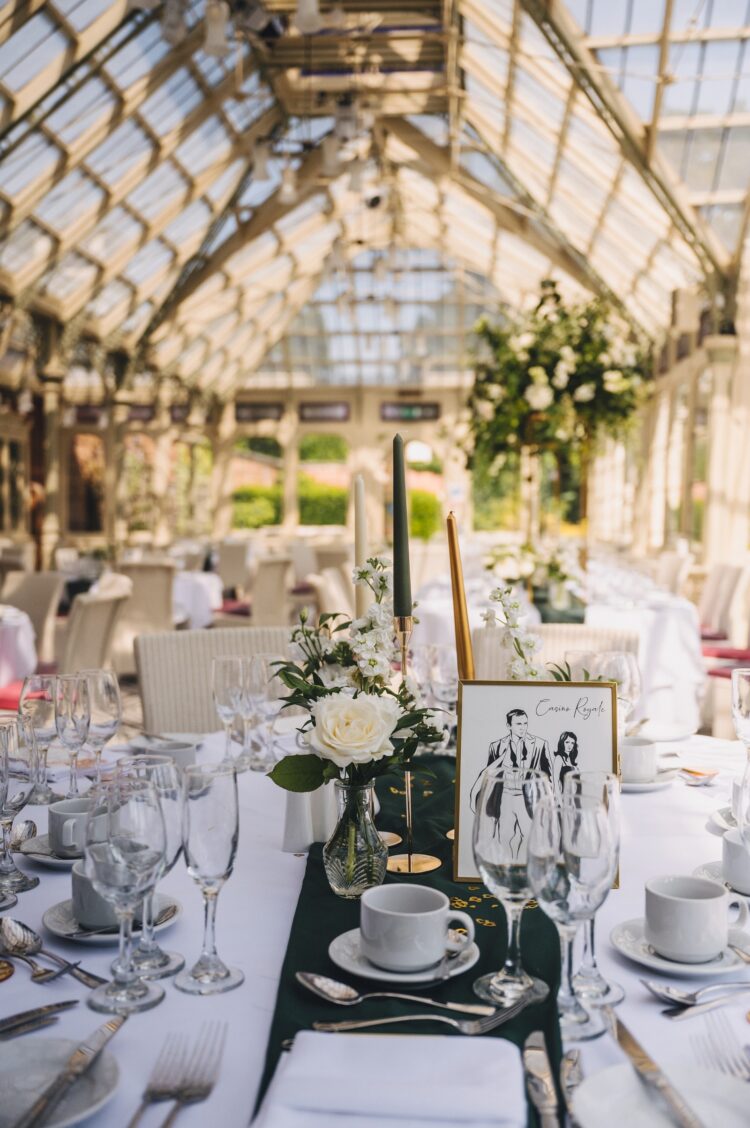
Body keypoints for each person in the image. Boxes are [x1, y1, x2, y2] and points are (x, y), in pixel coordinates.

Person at [470, 709, 551, 820]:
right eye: (518, 724)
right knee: (504, 836)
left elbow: (548, 776)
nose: (523, 727)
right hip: (504, 799)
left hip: (529, 799)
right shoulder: (496, 746)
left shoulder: (540, 744)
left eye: (525, 723)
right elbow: (490, 778)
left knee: (530, 835)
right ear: (509, 726)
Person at [552, 731, 579, 798]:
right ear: (562, 743)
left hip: (575, 799)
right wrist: (560, 802)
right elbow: (555, 780)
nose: (570, 745)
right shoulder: (559, 758)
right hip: (564, 798)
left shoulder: (572, 761)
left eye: (572, 743)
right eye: (567, 742)